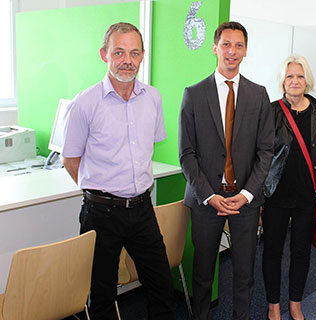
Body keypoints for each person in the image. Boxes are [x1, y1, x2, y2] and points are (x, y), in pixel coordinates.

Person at [62, 22, 174, 320]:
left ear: (142, 55)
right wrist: (99, 190)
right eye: (119, 52)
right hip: (101, 214)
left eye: (134, 53)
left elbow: (146, 148)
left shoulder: (153, 98)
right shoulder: (84, 103)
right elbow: (70, 159)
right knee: (101, 295)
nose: (128, 60)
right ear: (104, 54)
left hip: (142, 210)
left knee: (161, 285)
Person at [179, 21, 274, 320]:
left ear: (246, 51)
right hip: (206, 201)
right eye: (226, 44)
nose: (232, 51)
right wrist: (208, 195)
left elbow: (266, 151)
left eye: (239, 45)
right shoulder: (194, 94)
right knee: (203, 273)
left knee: (244, 273)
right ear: (215, 48)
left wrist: (247, 194)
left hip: (245, 200)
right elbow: (186, 153)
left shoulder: (259, 95)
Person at [262, 55, 316, 320]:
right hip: (275, 197)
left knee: (301, 253)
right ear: (283, 81)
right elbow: (263, 154)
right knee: (272, 252)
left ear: (307, 81)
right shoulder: (270, 111)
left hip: (307, 198)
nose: (295, 81)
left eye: (300, 76)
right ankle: (273, 306)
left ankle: (295, 303)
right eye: (290, 76)